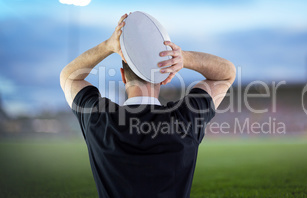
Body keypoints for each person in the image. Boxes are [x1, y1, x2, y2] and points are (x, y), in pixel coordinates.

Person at [60, 13, 236, 198]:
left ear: (122, 75)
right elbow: (227, 74)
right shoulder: (186, 120)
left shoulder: (99, 119)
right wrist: (182, 57)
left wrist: (108, 46)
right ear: (163, 77)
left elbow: (68, 77)